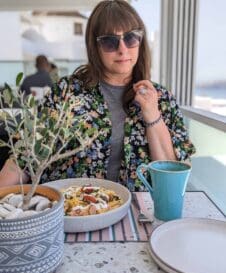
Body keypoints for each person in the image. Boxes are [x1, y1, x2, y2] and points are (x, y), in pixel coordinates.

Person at [0, 0, 195, 191]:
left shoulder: (161, 97)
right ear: (95, 47)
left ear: (140, 41)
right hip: (71, 212)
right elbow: (26, 157)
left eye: (131, 38)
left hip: (137, 212)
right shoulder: (67, 92)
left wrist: (152, 114)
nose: (122, 49)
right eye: (110, 41)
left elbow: (171, 174)